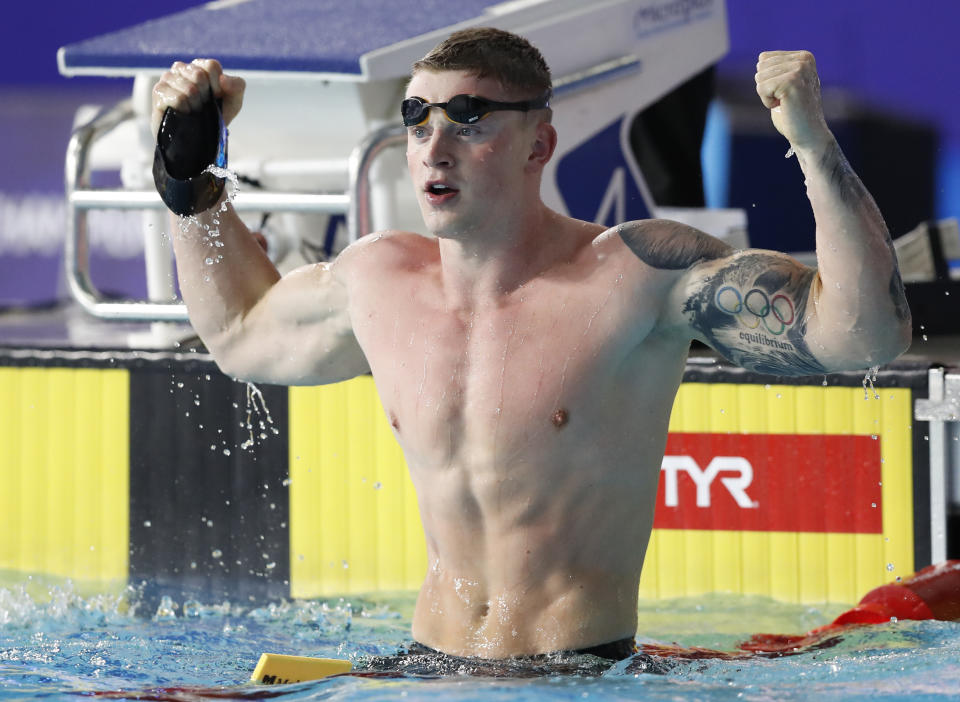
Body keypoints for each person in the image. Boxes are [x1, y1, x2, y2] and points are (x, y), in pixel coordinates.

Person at [151, 28, 911, 663]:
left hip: (575, 677)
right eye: (418, 118)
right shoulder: (380, 279)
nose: (434, 145)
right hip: (429, 667)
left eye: (470, 117)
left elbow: (860, 334)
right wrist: (191, 176)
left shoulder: (637, 274)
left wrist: (812, 147)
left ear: (538, 143)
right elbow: (241, 335)